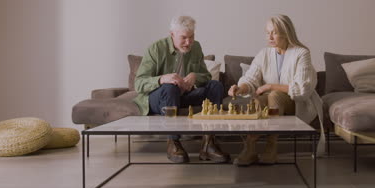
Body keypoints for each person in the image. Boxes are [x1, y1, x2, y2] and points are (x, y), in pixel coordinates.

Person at [228, 14, 324, 166]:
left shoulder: (301, 53)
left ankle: (271, 146)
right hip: (271, 101)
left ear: (286, 33)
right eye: (267, 32)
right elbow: (251, 78)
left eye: (275, 32)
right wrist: (240, 89)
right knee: (258, 99)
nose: (270, 37)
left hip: (296, 102)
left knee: (274, 95)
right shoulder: (264, 53)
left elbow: (302, 89)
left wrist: (270, 86)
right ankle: (250, 148)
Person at [133, 15, 230, 164]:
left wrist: (195, 76)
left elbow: (206, 76)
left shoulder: (195, 47)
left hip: (184, 96)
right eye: (184, 38)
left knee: (216, 86)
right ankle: (173, 142)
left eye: (191, 37)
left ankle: (208, 144)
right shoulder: (156, 48)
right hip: (159, 98)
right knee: (170, 87)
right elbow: (139, 83)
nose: (188, 42)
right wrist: (161, 79)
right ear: (172, 35)